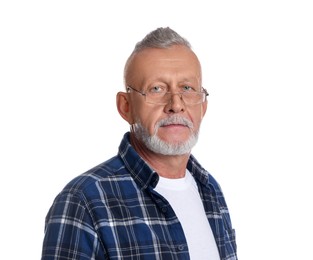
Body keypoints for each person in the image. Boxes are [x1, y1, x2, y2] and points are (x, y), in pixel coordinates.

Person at [41, 27, 237, 260]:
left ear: (203, 106)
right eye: (156, 89)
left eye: (187, 88)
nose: (176, 104)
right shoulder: (84, 200)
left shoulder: (210, 190)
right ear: (126, 106)